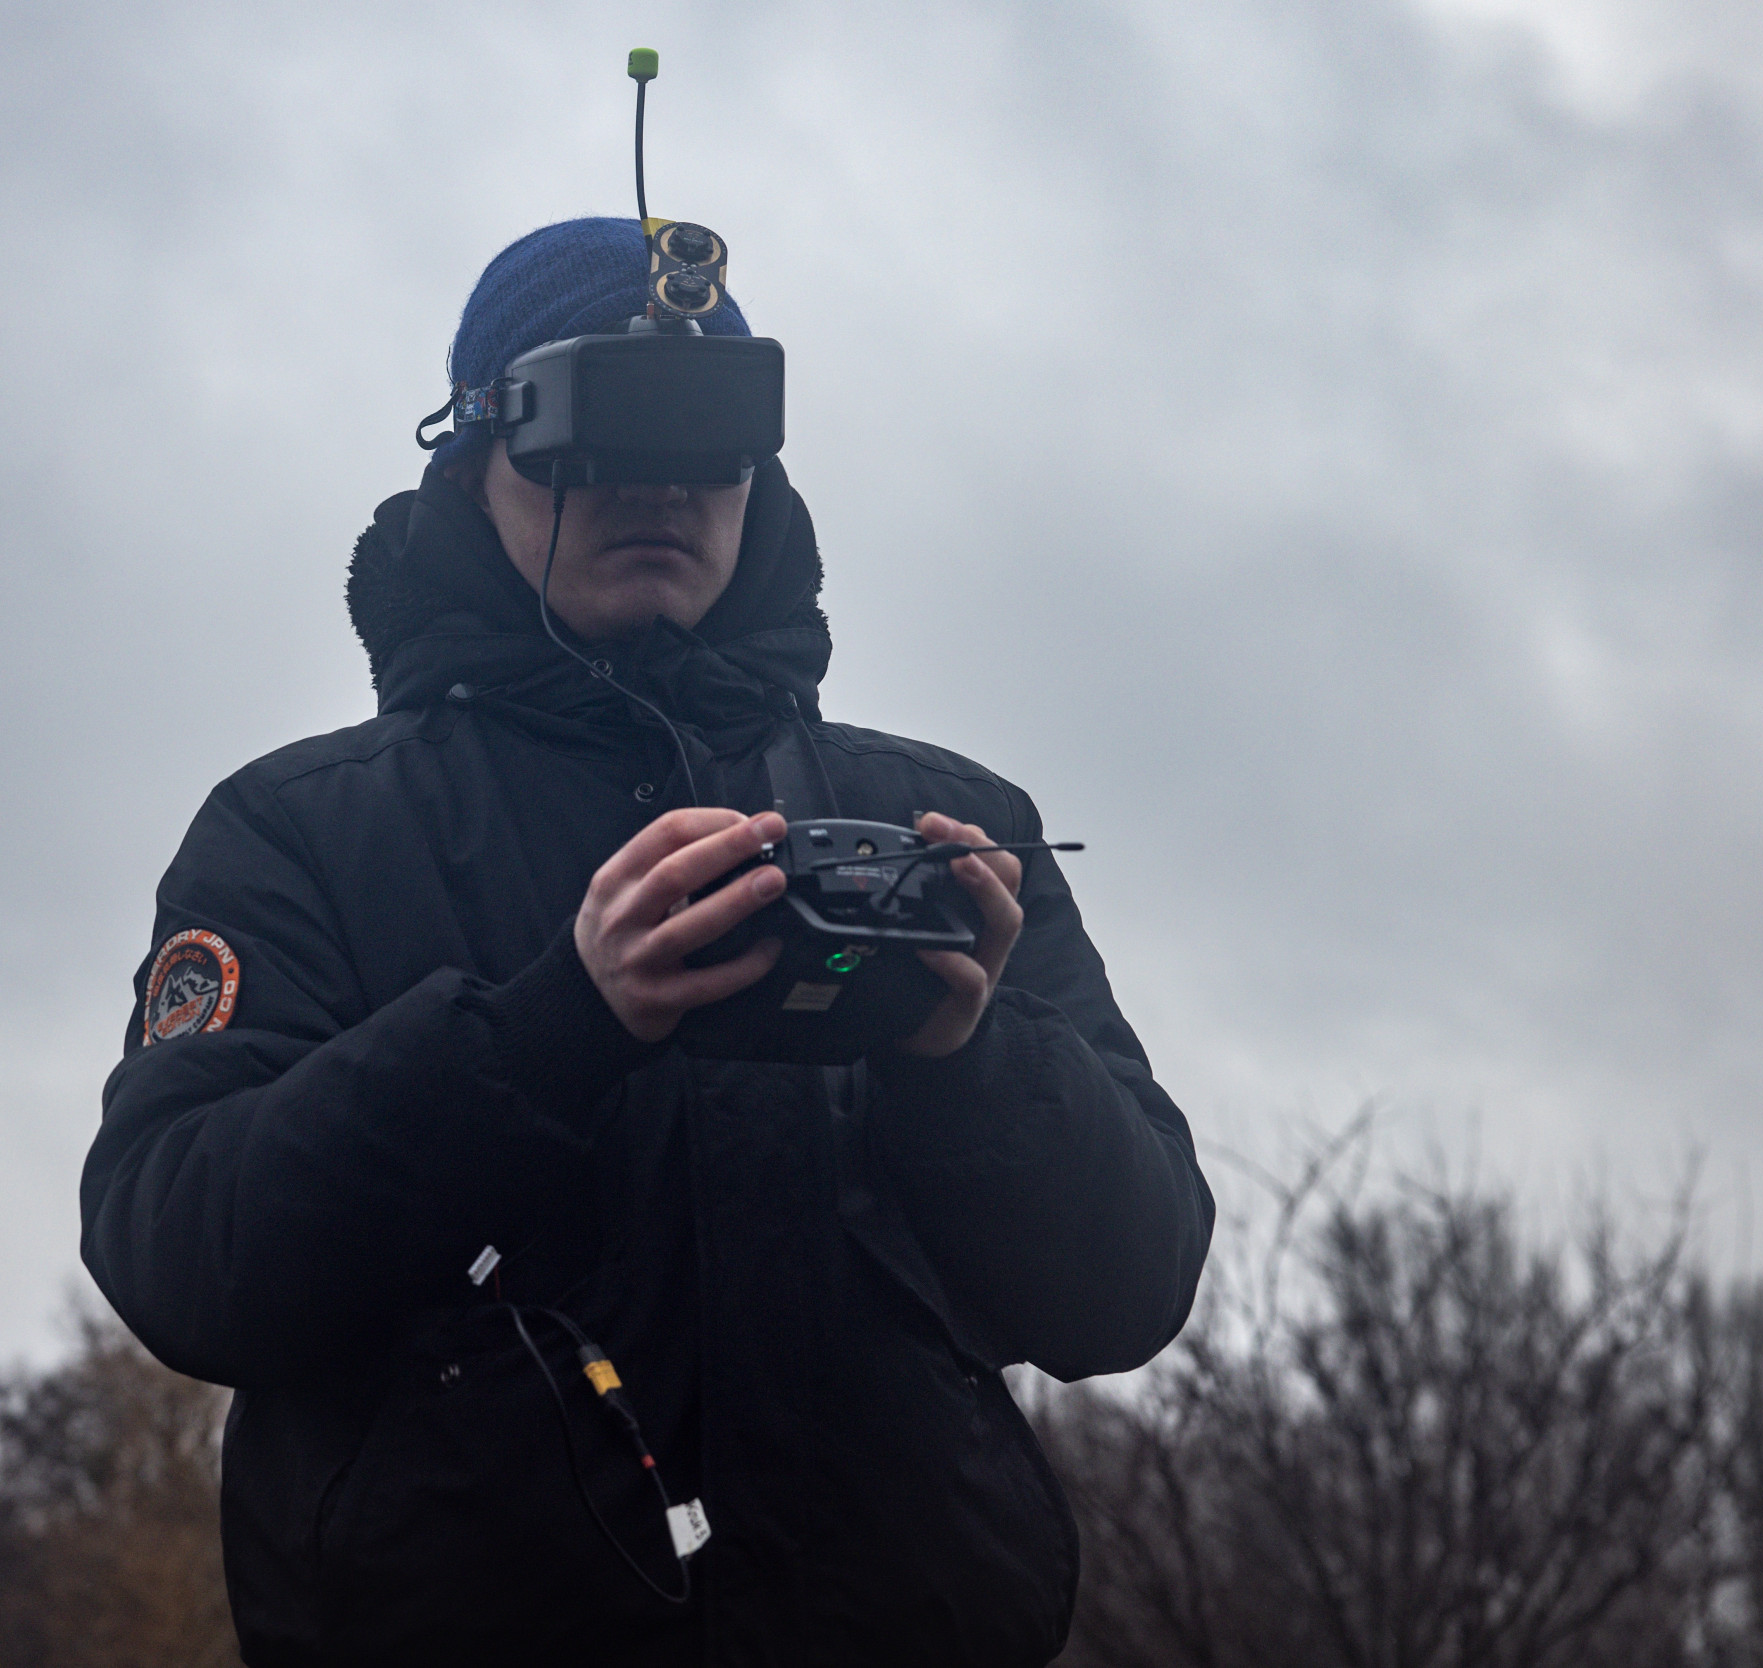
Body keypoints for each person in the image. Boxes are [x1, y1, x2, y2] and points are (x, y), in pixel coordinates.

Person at [81, 216, 1214, 1667]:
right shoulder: (301, 831)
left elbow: (1131, 1288)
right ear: (477, 456)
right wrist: (550, 1028)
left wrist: (963, 1051)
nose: (657, 487)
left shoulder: (947, 831)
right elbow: (178, 1247)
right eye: (593, 438)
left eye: (709, 438)